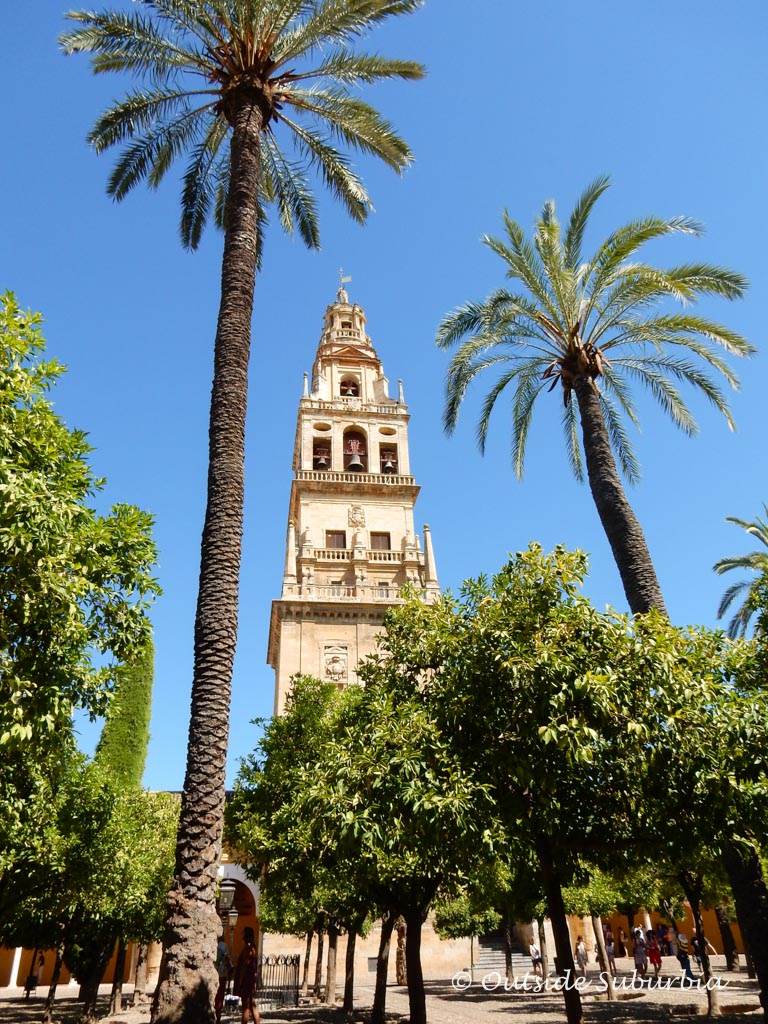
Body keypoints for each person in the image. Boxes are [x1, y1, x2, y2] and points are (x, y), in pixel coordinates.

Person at [233, 926, 260, 1024]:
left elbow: (245, 965)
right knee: (252, 1006)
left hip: (246, 980)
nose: (241, 934)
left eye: (243, 932)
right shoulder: (253, 946)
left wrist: (240, 981)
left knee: (246, 1007)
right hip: (251, 979)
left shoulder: (247, 947)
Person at [214, 933, 232, 1024]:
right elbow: (227, 959)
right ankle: (218, 1017)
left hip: (215, 972)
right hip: (222, 974)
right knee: (220, 996)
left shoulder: (214, 945)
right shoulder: (223, 946)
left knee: (216, 995)